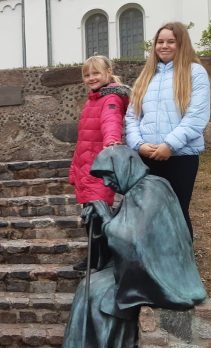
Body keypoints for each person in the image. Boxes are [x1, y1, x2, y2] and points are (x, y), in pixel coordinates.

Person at [38, 145, 207, 348]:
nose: (108, 183)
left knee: (99, 291)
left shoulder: (151, 190)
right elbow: (123, 236)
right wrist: (99, 222)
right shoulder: (140, 190)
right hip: (146, 266)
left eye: (109, 175)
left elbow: (131, 240)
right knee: (91, 285)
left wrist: (105, 217)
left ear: (125, 166)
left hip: (162, 275)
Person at [125, 21, 211, 237]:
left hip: (180, 157)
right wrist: (138, 144)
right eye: (160, 41)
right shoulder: (146, 76)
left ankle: (183, 258)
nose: (164, 46)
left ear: (181, 44)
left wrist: (170, 145)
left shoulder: (195, 73)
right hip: (147, 156)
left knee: (176, 213)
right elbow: (132, 116)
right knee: (149, 215)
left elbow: (196, 116)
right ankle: (153, 258)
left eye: (171, 41)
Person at [69, 55, 129, 271]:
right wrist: (76, 168)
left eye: (96, 73)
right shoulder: (92, 99)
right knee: (91, 214)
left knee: (97, 215)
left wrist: (112, 142)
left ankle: (102, 260)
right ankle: (95, 257)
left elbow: (111, 121)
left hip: (99, 168)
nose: (91, 78)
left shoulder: (111, 98)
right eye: (87, 75)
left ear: (108, 73)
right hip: (86, 166)